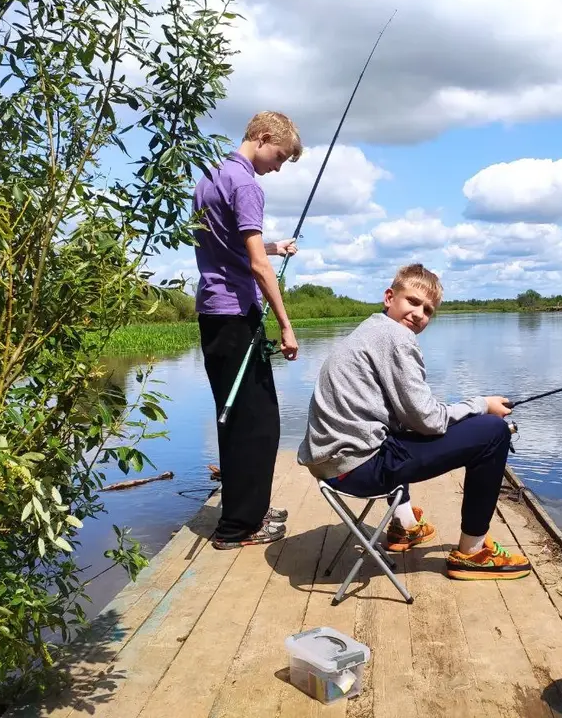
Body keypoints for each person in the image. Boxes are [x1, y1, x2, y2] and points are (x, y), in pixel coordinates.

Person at [297, 263, 532, 580]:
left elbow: (410, 418)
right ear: (389, 297)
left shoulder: (371, 330)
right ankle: (472, 554)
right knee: (493, 432)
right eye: (412, 301)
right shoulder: (397, 339)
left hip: (331, 465)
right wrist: (482, 405)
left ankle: (406, 526)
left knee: (399, 432)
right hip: (356, 469)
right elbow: (429, 420)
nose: (420, 313)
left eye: (428, 310)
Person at [193, 111, 303, 550]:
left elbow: (228, 245)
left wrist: (274, 246)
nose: (277, 168)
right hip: (238, 315)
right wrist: (286, 324)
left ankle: (247, 507)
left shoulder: (210, 176)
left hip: (212, 312)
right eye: (279, 157)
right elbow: (256, 266)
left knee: (234, 417)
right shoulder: (247, 185)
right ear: (262, 138)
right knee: (259, 424)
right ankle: (239, 527)